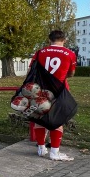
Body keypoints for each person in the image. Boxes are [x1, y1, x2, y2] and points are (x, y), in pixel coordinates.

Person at [30, 30, 76, 161]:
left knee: (40, 119)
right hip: (59, 91)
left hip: (41, 90)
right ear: (64, 40)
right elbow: (71, 74)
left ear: (49, 39)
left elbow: (31, 70)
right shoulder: (70, 54)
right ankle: (54, 152)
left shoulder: (40, 52)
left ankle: (41, 148)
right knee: (57, 120)